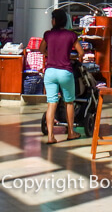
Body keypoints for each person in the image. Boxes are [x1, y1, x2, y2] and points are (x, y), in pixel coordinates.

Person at [40, 8, 84, 144]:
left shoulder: (48, 34)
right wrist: (73, 58)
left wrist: (51, 55)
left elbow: (41, 49)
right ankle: (71, 132)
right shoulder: (71, 35)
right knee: (69, 102)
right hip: (65, 72)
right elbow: (81, 53)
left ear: (54, 21)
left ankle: (50, 136)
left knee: (51, 103)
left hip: (50, 72)